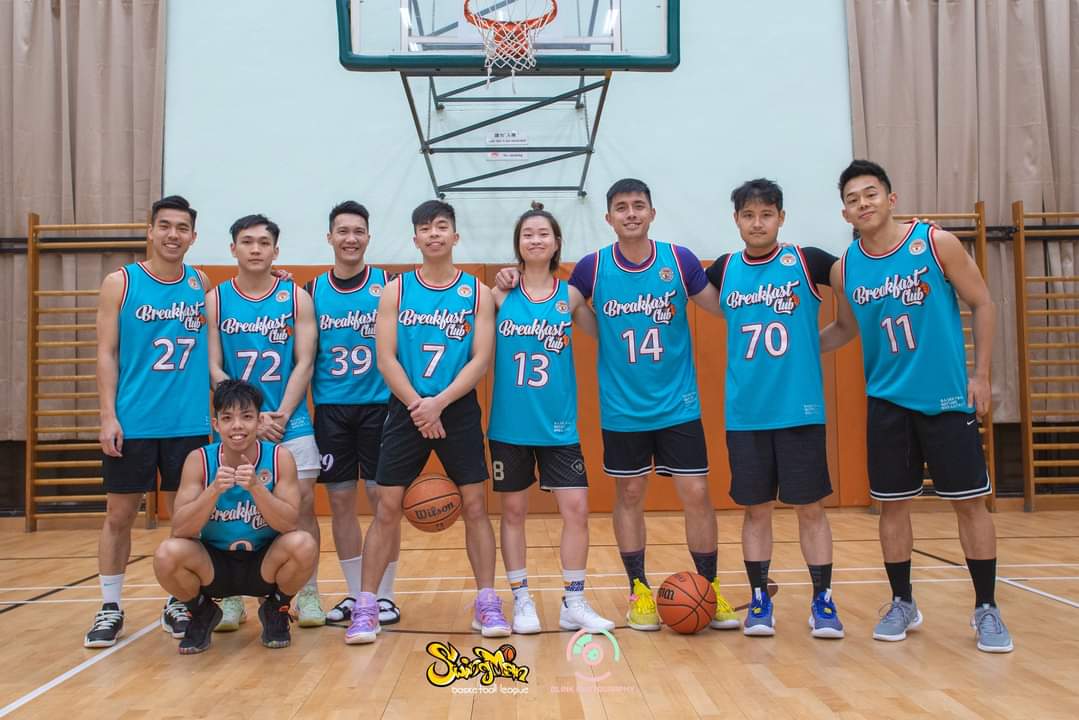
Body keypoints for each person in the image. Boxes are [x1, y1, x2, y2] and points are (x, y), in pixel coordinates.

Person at [498, 178, 738, 632]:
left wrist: (752, 284)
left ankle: (710, 587)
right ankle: (638, 591)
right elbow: (550, 302)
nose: (631, 214)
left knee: (697, 494)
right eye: (622, 208)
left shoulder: (679, 260)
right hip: (622, 408)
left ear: (651, 213)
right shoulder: (592, 268)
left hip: (679, 404)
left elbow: (724, 307)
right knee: (628, 495)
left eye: (638, 206)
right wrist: (510, 277)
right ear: (608, 218)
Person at [822, 159, 1013, 653]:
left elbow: (983, 303)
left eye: (870, 194)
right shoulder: (845, 269)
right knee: (891, 506)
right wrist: (799, 349)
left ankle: (987, 607)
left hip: (945, 399)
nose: (862, 204)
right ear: (844, 214)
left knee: (969, 504)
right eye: (852, 200)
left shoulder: (934, 243)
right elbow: (844, 329)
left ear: (891, 199)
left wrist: (981, 375)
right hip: (887, 402)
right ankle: (902, 601)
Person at [346, 199, 509, 644]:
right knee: (386, 507)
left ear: (455, 236)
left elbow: (481, 359)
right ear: (415, 239)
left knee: (475, 506)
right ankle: (367, 605)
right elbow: (385, 358)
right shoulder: (395, 291)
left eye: (441, 226)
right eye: (425, 228)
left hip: (456, 408)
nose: (433, 234)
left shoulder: (476, 292)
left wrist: (440, 403)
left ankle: (487, 601)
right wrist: (420, 404)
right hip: (408, 408)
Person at [705, 178, 843, 638]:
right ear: (736, 220)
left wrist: (812, 344)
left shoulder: (809, 261)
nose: (757, 222)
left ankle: (823, 600)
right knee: (756, 511)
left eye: (766, 214)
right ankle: (759, 599)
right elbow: (672, 289)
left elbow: (863, 273)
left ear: (781, 217)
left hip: (799, 410)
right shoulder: (724, 269)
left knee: (810, 509)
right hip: (746, 414)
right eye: (748, 215)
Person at [86, 195, 211, 648]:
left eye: (182, 228)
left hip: (188, 423)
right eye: (165, 226)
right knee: (119, 515)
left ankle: (179, 601)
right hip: (134, 421)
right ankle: (109, 606)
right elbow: (106, 353)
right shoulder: (120, 282)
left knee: (185, 519)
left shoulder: (200, 282)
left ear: (193, 237)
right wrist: (107, 415)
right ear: (150, 231)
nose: (173, 234)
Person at [489, 203, 614, 634]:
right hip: (509, 425)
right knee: (513, 512)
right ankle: (521, 599)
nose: (536, 240)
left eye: (544, 233)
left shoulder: (571, 296)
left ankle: (573, 601)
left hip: (559, 426)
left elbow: (606, 333)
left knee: (576, 509)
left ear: (557, 242)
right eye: (528, 234)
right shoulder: (498, 296)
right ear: (518, 244)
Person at [206, 214, 325, 629]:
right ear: (233, 248)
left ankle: (307, 593)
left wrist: (282, 414)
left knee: (303, 505)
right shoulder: (216, 299)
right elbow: (213, 365)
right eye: (247, 241)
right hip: (237, 424)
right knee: (230, 505)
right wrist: (248, 419)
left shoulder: (296, 298)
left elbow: (305, 362)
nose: (255, 248)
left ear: (276, 250)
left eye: (263, 242)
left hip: (290, 420)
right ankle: (231, 597)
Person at [152, 380, 318, 654]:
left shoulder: (280, 457)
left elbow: (289, 523)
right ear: (216, 424)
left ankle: (276, 608)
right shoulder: (199, 460)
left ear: (259, 421)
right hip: (214, 565)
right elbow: (180, 529)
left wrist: (256, 488)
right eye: (227, 418)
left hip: (263, 562)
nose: (237, 426)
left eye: (247, 417)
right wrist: (213, 490)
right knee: (166, 554)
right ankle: (202, 612)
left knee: (304, 544)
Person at [307, 201, 401, 632]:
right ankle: (354, 593)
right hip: (331, 408)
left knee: (384, 502)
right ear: (330, 237)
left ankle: (384, 595)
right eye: (342, 231)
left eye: (358, 231)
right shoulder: (310, 290)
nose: (350, 238)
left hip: (381, 407)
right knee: (341, 502)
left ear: (368, 237)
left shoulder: (390, 285)